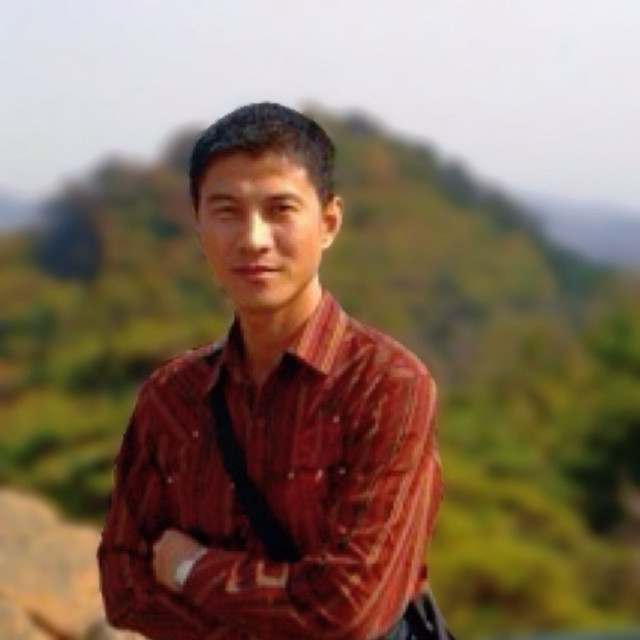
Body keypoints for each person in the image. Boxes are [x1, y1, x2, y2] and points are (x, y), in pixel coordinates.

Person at [98, 102, 443, 640]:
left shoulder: (386, 385)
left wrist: (191, 569)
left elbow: (349, 608)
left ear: (328, 222)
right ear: (199, 225)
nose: (253, 238)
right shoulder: (172, 397)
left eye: (280, 209)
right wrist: (283, 607)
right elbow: (125, 587)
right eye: (227, 211)